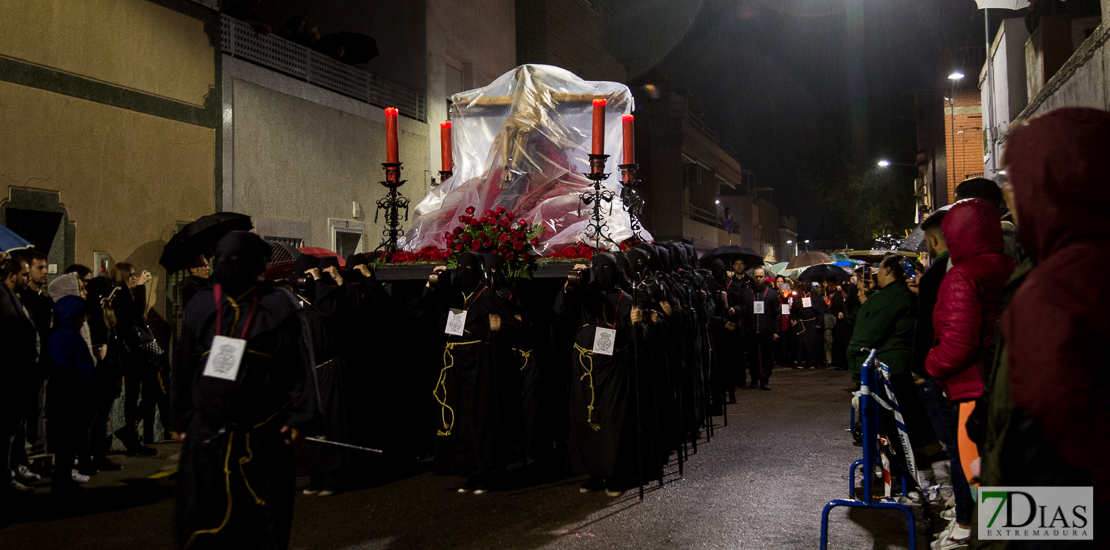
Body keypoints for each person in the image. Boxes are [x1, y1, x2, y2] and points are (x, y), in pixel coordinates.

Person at [980, 107, 1110, 546]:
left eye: (1016, 181)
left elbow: (1047, 454)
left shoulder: (1057, 291)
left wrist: (998, 521)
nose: (1010, 197)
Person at [171, 231, 318, 549]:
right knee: (204, 519)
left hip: (263, 437)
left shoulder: (280, 305)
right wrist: (180, 417)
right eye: (223, 259)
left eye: (237, 260)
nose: (229, 266)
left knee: (259, 524)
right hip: (207, 437)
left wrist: (300, 417)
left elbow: (300, 365)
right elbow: (184, 362)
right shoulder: (202, 305)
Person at [924, 199, 1015, 520]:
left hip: (969, 388)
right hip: (1005, 385)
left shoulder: (963, 276)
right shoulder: (1012, 266)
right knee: (1003, 483)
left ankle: (971, 529)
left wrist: (931, 363)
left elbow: (957, 344)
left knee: (978, 479)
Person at [419, 253, 519, 495]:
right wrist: (430, 288)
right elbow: (425, 314)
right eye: (460, 268)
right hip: (456, 364)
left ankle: (485, 472)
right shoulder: (454, 296)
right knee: (459, 416)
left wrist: (495, 328)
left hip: (479, 364)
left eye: (468, 268)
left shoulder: (487, 297)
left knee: (480, 417)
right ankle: (468, 472)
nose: (464, 273)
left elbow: (510, 326)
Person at [555, 253, 645, 497]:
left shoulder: (626, 299)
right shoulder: (585, 293)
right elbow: (561, 309)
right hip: (584, 363)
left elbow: (637, 338)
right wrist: (569, 283)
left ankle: (614, 473)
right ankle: (593, 472)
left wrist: (638, 322)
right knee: (585, 416)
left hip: (613, 366)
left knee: (612, 419)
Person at [909, 209, 975, 537]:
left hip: (955, 377)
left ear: (935, 240)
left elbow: (938, 328)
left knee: (958, 449)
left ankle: (965, 523)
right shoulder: (998, 265)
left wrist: (925, 368)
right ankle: (968, 514)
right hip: (976, 376)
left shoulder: (947, 273)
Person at [848, 256, 934, 478]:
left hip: (890, 372)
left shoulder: (890, 298)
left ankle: (899, 472)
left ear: (887, 270)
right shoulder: (904, 297)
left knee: (891, 427)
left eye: (879, 269)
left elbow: (865, 336)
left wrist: (858, 373)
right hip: (903, 368)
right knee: (900, 424)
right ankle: (901, 468)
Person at [45, 294, 97, 495]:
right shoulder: (64, 336)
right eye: (81, 315)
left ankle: (63, 478)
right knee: (65, 444)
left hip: (69, 397)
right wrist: (82, 384)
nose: (83, 319)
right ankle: (62, 481)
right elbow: (65, 369)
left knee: (67, 444)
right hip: (68, 399)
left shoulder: (65, 334)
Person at [110, 263, 162, 455]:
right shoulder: (120, 295)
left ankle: (129, 434)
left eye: (135, 275)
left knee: (150, 393)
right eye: (130, 275)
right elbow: (138, 310)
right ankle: (131, 440)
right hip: (133, 354)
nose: (134, 278)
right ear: (122, 277)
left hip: (137, 353)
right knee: (134, 395)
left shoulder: (125, 295)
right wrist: (141, 286)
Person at [10, 250, 51, 482]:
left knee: (36, 411)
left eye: (45, 267)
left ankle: (34, 454)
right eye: (39, 268)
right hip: (23, 367)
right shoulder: (21, 299)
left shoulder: (43, 301)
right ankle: (20, 461)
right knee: (20, 417)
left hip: (38, 364)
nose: (44, 272)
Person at [1, 255, 38, 495]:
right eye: (25, 274)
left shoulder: (15, 297)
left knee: (11, 431)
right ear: (12, 275)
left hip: (17, 373)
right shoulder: (3, 297)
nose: (28, 278)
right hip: (9, 374)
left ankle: (9, 472)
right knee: (6, 432)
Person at [85, 277, 125, 472]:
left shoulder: (108, 317)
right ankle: (89, 459)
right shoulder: (94, 317)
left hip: (109, 376)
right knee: (93, 419)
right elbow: (99, 351)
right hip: (99, 376)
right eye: (110, 295)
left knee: (101, 419)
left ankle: (100, 457)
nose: (113, 299)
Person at [739, 267, 781, 390]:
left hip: (766, 331)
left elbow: (777, 314)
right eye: (756, 277)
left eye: (761, 277)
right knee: (752, 358)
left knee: (767, 358)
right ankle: (754, 378)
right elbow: (743, 312)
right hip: (751, 331)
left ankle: (764, 380)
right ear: (753, 277)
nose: (758, 279)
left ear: (765, 277)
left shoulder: (771, 294)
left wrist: (776, 331)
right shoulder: (746, 293)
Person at [791, 279, 826, 369]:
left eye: (807, 283)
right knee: (801, 343)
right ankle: (801, 361)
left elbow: (820, 310)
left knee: (812, 343)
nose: (806, 285)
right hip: (801, 323)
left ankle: (812, 362)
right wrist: (793, 319)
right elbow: (794, 310)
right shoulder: (798, 296)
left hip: (812, 323)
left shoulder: (815, 296)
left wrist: (819, 322)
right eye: (804, 283)